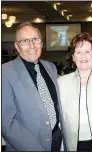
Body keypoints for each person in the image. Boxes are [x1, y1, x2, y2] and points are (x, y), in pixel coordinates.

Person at [2, 22, 66, 151]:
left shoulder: (50, 67)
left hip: (57, 141)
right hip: (27, 146)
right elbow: (6, 123)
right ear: (17, 46)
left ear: (41, 43)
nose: (32, 46)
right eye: (25, 41)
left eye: (35, 39)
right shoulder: (5, 73)